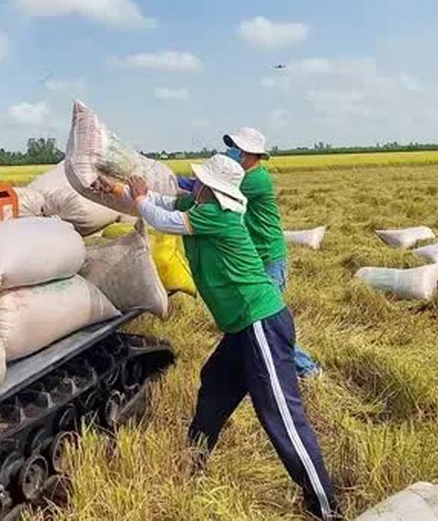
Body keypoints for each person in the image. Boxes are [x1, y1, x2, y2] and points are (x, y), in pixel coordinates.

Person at [105, 156, 337, 520]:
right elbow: (161, 203)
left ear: (212, 189)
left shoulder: (219, 215)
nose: (193, 183)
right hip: (242, 327)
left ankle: (326, 507)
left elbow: (159, 216)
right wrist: (118, 190)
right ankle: (193, 459)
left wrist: (138, 200)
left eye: (199, 181)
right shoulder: (199, 205)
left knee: (281, 416)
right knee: (214, 384)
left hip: (261, 322)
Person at [224, 127, 321, 378]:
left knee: (268, 323)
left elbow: (212, 191)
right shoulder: (244, 175)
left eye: (235, 148)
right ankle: (252, 369)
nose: (230, 152)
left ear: (249, 153)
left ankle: (307, 369)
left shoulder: (254, 180)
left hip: (269, 258)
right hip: (257, 257)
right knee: (252, 320)